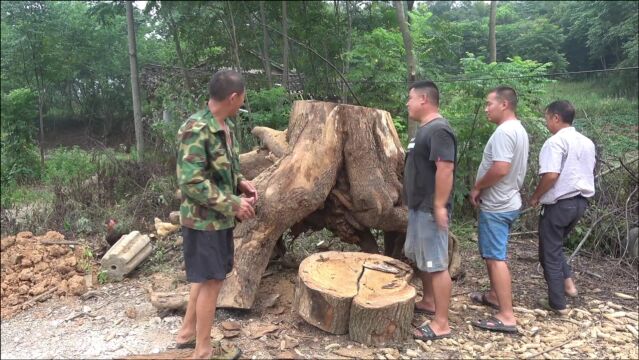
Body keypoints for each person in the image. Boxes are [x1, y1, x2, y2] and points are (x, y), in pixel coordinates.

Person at [174, 70, 257, 359]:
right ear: (233, 97)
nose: (242, 103)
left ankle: (187, 333)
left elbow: (222, 168)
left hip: (217, 219)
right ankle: (204, 350)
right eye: (242, 98)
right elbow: (192, 181)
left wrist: (240, 182)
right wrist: (233, 203)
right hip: (202, 221)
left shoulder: (224, 126)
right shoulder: (197, 128)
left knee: (206, 277)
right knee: (211, 282)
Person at [469, 86, 528, 333]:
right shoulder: (518, 129)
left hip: (498, 204)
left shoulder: (505, 132)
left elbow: (501, 168)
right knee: (492, 254)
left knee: (496, 258)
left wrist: (478, 186)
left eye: (489, 103)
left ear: (504, 104)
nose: (486, 108)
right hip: (507, 199)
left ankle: (506, 315)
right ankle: (494, 296)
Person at [529, 100, 595, 315]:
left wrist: (536, 196)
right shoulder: (587, 142)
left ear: (556, 118)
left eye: (547, 118)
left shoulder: (555, 142)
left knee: (549, 253)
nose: (547, 122)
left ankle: (557, 303)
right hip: (580, 203)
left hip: (559, 204)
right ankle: (568, 286)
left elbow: (551, 175)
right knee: (555, 247)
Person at [403, 80, 457, 341]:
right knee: (424, 259)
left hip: (430, 208)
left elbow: (445, 168)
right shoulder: (423, 130)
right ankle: (429, 301)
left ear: (424, 99)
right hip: (418, 207)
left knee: (436, 265)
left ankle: (441, 323)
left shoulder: (439, 130)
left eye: (410, 98)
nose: (407, 103)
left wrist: (439, 205)